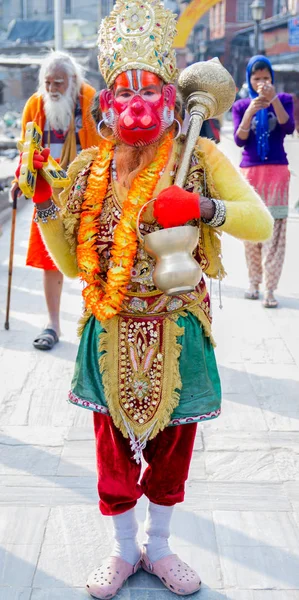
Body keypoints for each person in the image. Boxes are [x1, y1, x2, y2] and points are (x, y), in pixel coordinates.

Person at [15, 2, 273, 597]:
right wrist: (49, 202)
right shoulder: (86, 166)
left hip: (177, 324)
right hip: (108, 327)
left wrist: (207, 209)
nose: (135, 105)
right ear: (106, 105)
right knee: (109, 447)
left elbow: (259, 222)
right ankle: (123, 549)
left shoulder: (198, 157)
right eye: (123, 94)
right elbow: (73, 262)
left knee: (173, 445)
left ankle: (159, 547)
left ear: (169, 100)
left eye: (148, 92)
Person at [11, 50, 99, 350]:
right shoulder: (35, 104)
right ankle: (52, 323)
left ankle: (95, 322)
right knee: (50, 259)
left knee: (94, 258)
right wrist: (18, 180)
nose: (52, 89)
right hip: (47, 194)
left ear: (72, 81)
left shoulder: (90, 101)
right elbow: (26, 149)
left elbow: (103, 149)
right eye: (48, 82)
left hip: (85, 192)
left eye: (58, 83)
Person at [232, 55, 294, 308]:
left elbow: (288, 127)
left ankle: (270, 288)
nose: (261, 83)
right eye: (256, 78)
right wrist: (250, 111)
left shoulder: (285, 100)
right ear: (249, 80)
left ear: (272, 80)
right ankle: (253, 282)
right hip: (251, 175)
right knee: (251, 231)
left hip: (277, 175)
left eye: (266, 78)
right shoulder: (241, 105)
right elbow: (239, 139)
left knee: (275, 234)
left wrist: (274, 100)